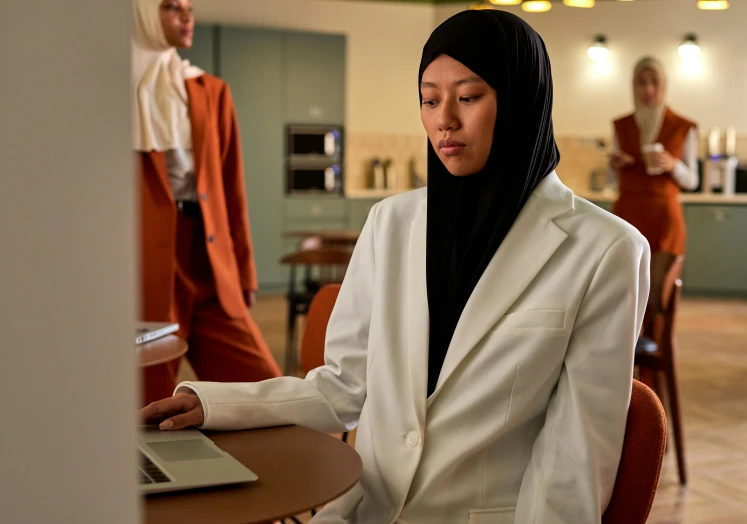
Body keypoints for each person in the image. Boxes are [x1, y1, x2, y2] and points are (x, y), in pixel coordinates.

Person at [141, 10, 650, 523]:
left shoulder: (606, 251)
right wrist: (214, 406)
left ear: (521, 102)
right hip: (363, 511)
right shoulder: (390, 223)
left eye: (468, 98)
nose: (444, 119)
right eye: (429, 100)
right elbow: (342, 386)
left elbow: (575, 460)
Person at [133, 0, 280, 406]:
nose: (186, 17)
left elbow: (232, 190)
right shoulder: (109, 94)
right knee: (148, 409)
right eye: (170, 7)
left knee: (265, 393)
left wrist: (245, 273)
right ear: (140, 13)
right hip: (143, 267)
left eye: (190, 8)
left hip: (212, 263)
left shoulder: (209, 91)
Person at [609, 57, 698, 307]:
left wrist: (672, 165)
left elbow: (692, 180)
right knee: (625, 288)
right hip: (628, 212)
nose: (648, 89)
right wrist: (615, 165)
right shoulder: (621, 125)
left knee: (660, 293)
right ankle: (629, 345)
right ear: (632, 86)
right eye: (641, 82)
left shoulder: (683, 127)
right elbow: (612, 178)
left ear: (664, 85)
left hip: (664, 216)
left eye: (654, 82)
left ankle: (658, 343)